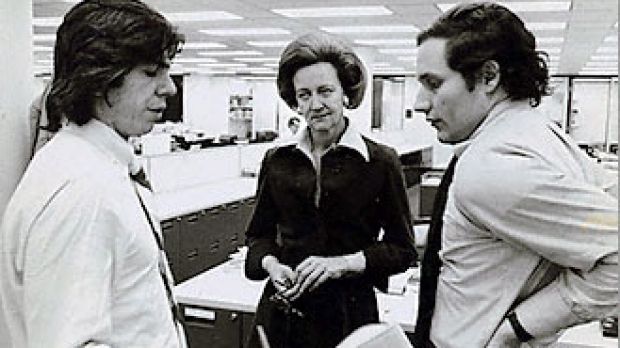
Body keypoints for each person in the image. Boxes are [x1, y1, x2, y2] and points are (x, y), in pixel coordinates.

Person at [411, 2, 618, 347]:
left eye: (433, 84)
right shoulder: (540, 133)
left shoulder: (491, 165)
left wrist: (517, 329)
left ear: (488, 77)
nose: (420, 102)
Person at [0, 0, 186, 347]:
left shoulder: (102, 167)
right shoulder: (82, 189)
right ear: (99, 79)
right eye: (151, 72)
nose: (169, 88)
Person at [244, 32, 417, 348]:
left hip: (348, 317)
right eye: (304, 94)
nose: (315, 104)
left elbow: (402, 249)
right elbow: (258, 236)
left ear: (346, 94)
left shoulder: (380, 161)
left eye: (325, 91)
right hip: (282, 315)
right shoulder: (276, 160)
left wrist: (341, 264)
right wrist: (272, 265)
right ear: (294, 100)